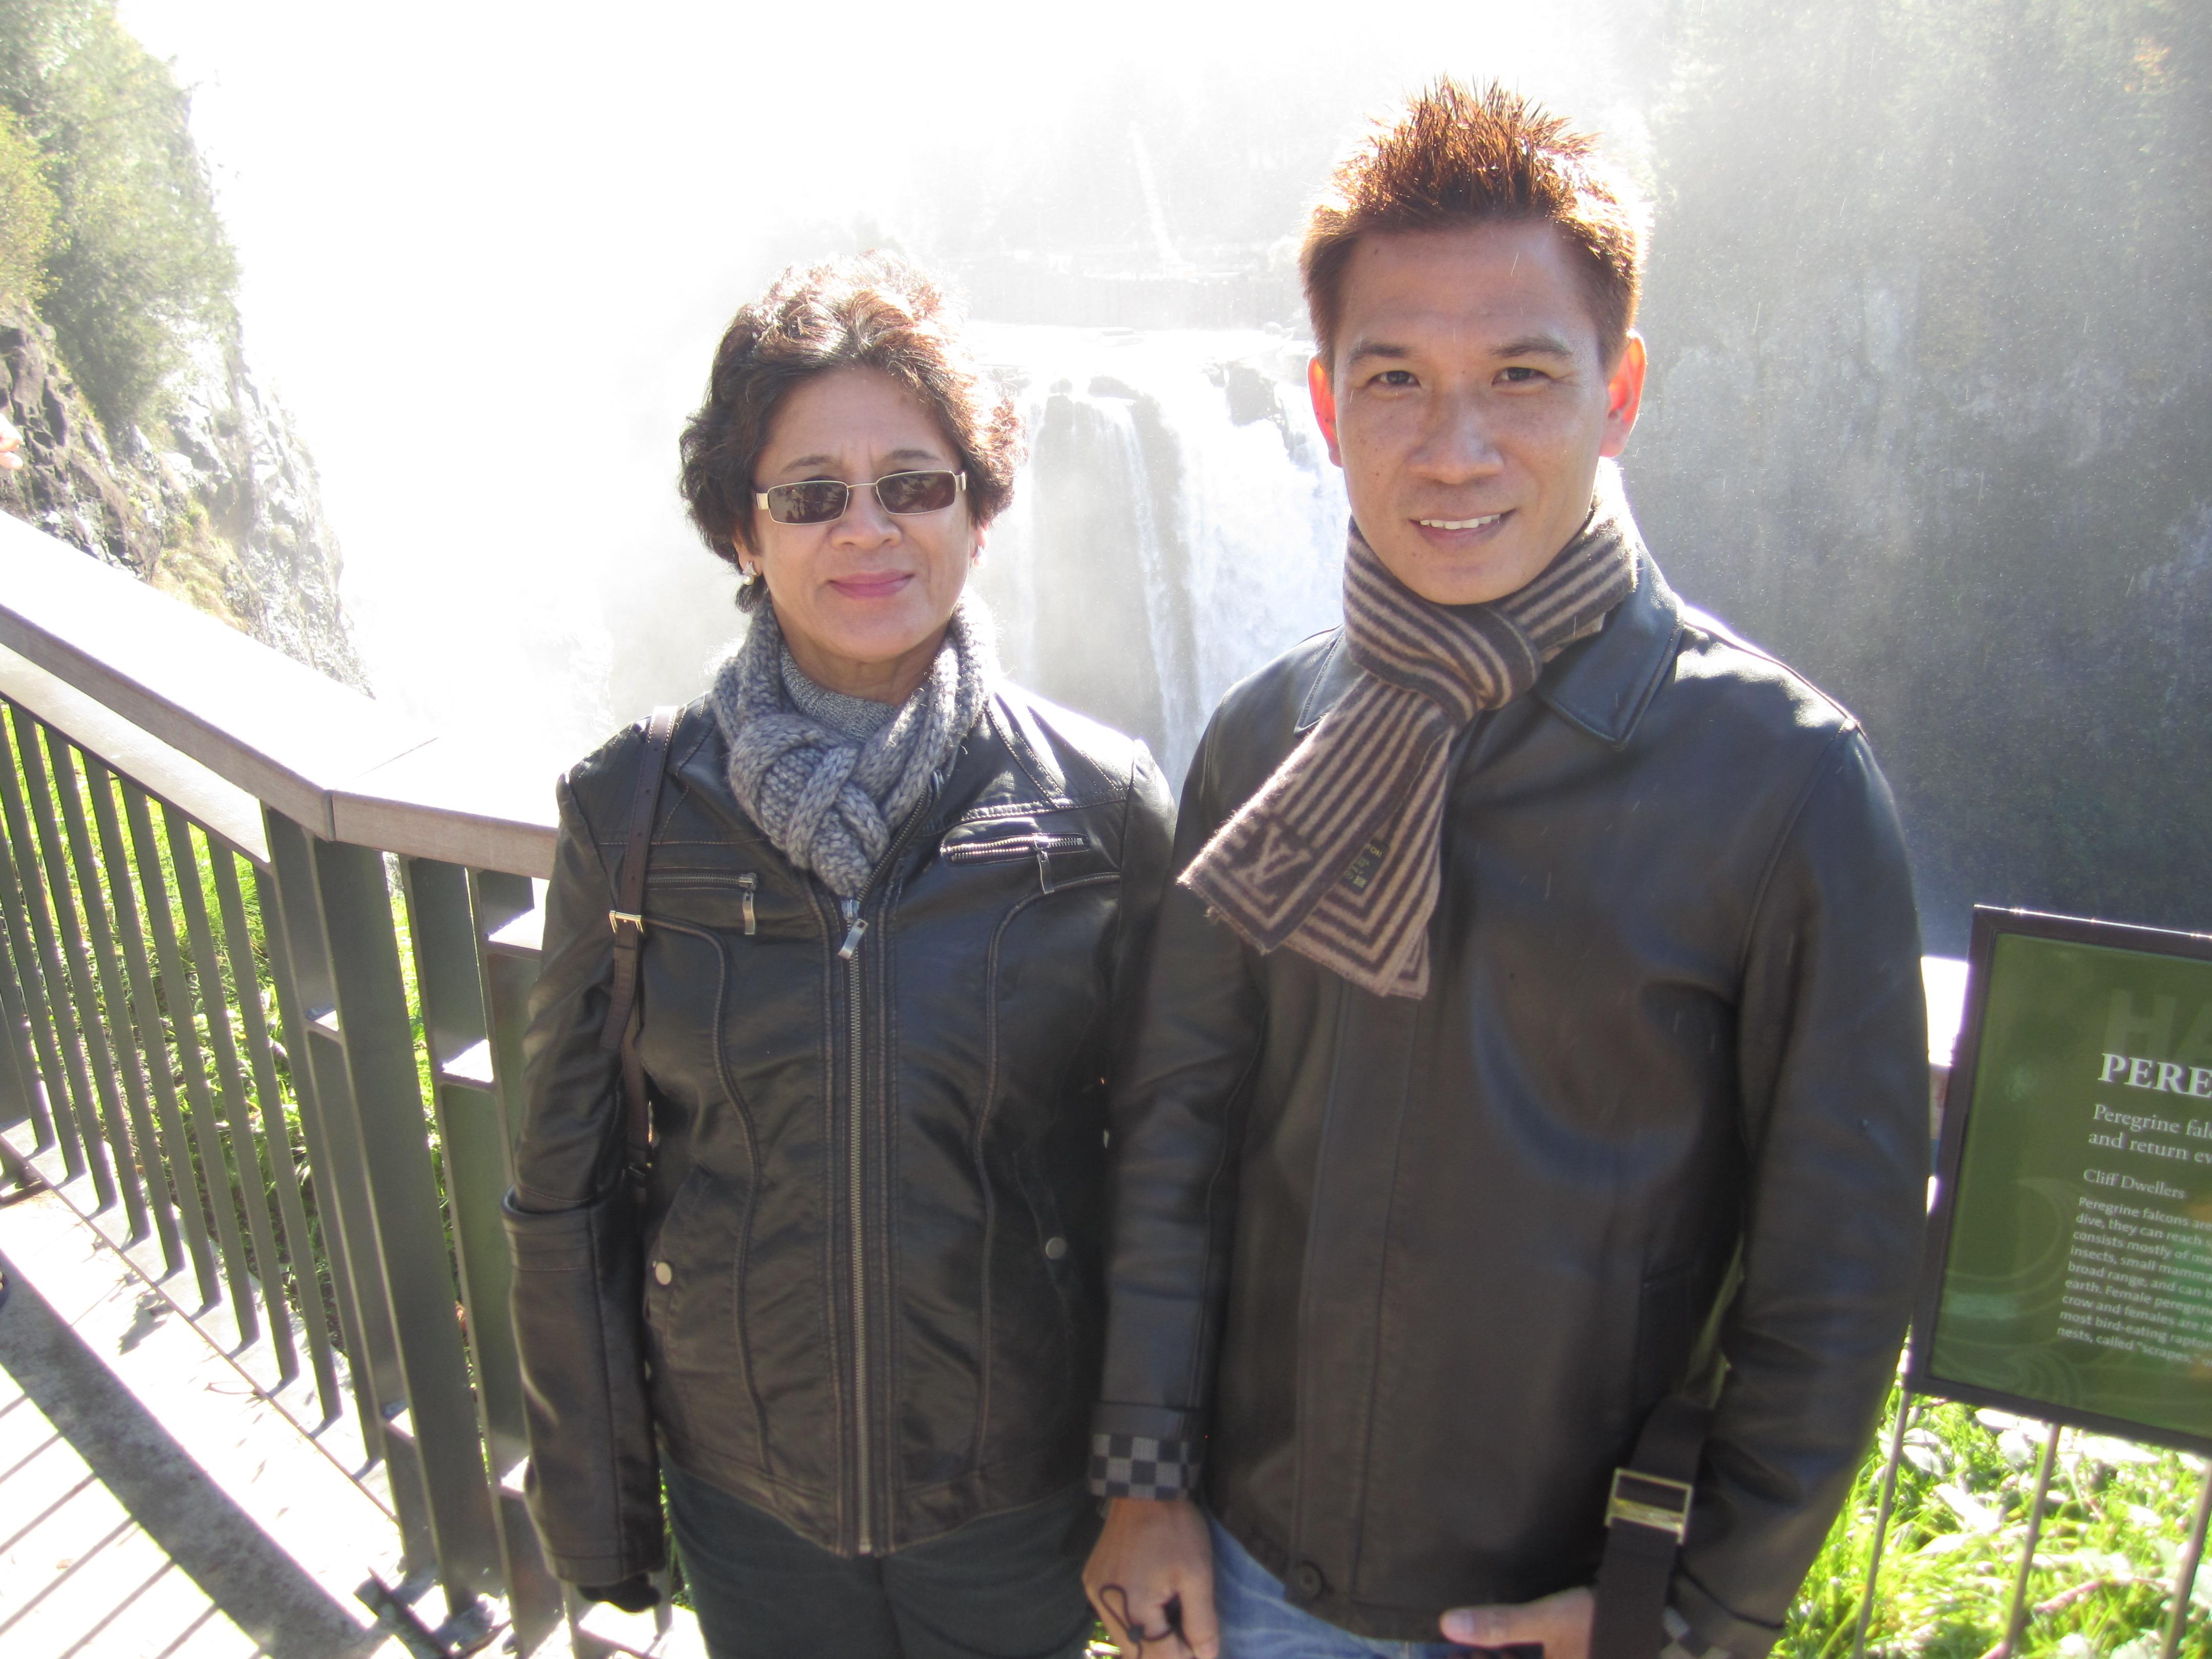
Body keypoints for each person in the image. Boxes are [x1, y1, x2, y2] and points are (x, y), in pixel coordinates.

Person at [1081, 81, 1927, 1659]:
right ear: (1326, 408)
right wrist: (1143, 1487)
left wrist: (1689, 1613)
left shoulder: (1783, 784)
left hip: (1557, 1611)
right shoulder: (1266, 735)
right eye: (1394, 377)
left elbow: (1838, 1267)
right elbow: (1175, 1143)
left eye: (1522, 375)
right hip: (1246, 1583)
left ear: (1620, 394)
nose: (1454, 447)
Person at [505, 252, 1176, 1659]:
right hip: (752, 1506)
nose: (866, 528)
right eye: (810, 493)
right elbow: (564, 1189)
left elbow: (1173, 1182)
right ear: (742, 535)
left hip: (1020, 1505)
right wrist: (601, 1516)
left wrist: (1151, 1486)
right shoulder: (628, 814)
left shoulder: (1101, 809)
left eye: (913, 484)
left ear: (979, 513)